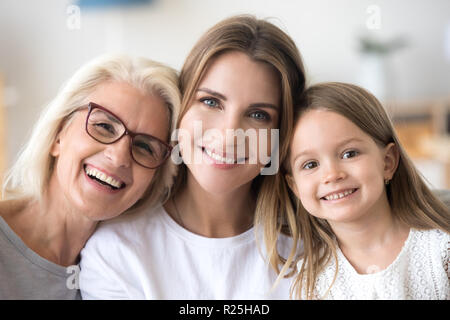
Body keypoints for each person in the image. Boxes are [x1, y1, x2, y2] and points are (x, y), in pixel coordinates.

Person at [79, 15, 306, 299]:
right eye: (211, 102)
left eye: (258, 115)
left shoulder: (309, 252)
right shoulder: (117, 252)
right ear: (182, 106)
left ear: (280, 134)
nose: (228, 134)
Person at [0, 54, 180, 299]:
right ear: (58, 135)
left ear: (153, 181)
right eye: (104, 127)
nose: (118, 158)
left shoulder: (127, 269)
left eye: (145, 147)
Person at [285, 82, 450, 299]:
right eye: (310, 165)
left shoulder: (440, 252)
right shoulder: (308, 280)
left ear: (388, 162)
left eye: (349, 154)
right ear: (295, 187)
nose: (332, 174)